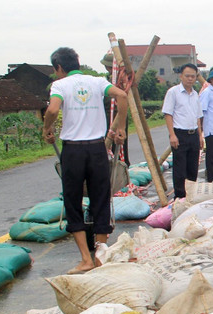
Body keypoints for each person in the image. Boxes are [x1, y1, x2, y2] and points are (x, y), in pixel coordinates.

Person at [42, 47, 128, 274]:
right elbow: (122, 95)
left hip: (73, 151)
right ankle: (100, 255)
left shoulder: (60, 85)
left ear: (59, 67)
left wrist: (47, 127)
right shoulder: (97, 82)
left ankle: (85, 259)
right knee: (101, 198)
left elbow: (53, 109)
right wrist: (120, 127)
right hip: (97, 148)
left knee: (73, 201)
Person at [162, 63, 203, 199]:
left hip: (193, 134)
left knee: (193, 168)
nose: (190, 79)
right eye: (187, 76)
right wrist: (172, 135)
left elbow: (198, 117)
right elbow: (168, 114)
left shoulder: (195, 94)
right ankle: (179, 197)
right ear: (181, 76)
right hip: (179, 134)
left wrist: (200, 135)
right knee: (180, 168)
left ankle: (190, 196)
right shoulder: (173, 92)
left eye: (193, 76)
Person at [100, 53, 130, 165]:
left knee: (119, 143)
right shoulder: (108, 81)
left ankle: (120, 165)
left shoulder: (120, 81)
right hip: (111, 117)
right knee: (113, 145)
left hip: (116, 117)